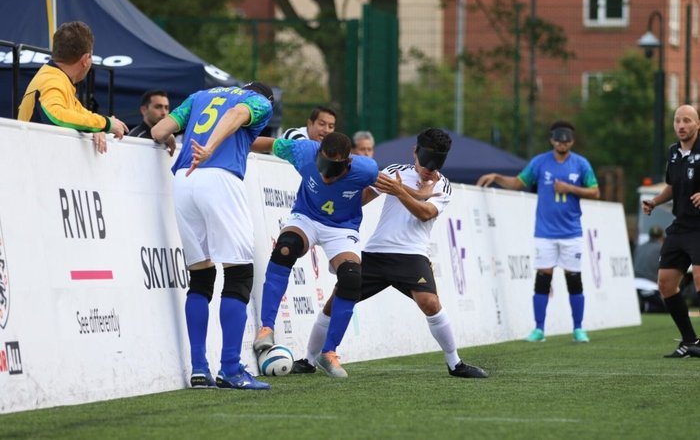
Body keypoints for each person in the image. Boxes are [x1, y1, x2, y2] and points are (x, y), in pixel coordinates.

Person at [291, 128, 488, 379]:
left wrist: (400, 192)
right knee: (336, 300)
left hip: (412, 256)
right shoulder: (395, 171)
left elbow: (425, 212)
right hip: (376, 251)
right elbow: (361, 198)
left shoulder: (443, 185)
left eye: (436, 161)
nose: (429, 167)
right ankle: (309, 359)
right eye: (426, 158)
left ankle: (455, 363)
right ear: (415, 151)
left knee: (430, 303)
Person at [151, 81, 275, 389]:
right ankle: (231, 368)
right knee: (239, 273)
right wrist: (210, 148)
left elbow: (158, 131)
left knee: (201, 276)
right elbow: (236, 113)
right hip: (218, 177)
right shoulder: (259, 101)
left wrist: (169, 137)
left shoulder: (199, 94)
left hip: (182, 180)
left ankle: (199, 368)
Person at [251, 132, 379, 378]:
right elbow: (266, 142)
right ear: (318, 154)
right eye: (322, 166)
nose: (325, 176)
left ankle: (328, 352)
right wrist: (226, 142)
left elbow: (386, 185)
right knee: (285, 249)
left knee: (352, 278)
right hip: (306, 218)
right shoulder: (303, 151)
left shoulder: (367, 169)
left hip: (342, 228)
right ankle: (266, 328)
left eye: (333, 170)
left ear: (348, 162)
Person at [476, 121, 600, 343]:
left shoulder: (581, 164)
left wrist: (570, 189)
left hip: (571, 232)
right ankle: (539, 329)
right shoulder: (540, 162)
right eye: (558, 139)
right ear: (552, 140)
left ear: (572, 141)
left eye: (566, 139)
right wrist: (496, 177)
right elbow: (517, 183)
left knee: (574, 279)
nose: (562, 143)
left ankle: (578, 328)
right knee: (543, 278)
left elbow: (595, 191)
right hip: (545, 232)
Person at [641, 104, 700, 358]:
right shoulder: (673, 152)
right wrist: (655, 201)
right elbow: (673, 187)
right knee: (665, 284)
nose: (681, 125)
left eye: (687, 120)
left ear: (697, 124)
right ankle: (690, 342)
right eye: (678, 120)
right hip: (681, 226)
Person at [17, 21, 128, 153]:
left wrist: (95, 128)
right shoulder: (52, 80)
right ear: (86, 59)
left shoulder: (57, 78)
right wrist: (106, 124)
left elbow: (80, 116)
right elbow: (57, 116)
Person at [633, 226, 666, 313]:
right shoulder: (663, 248)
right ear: (662, 237)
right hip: (649, 287)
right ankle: (644, 307)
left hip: (633, 285)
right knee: (670, 307)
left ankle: (642, 305)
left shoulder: (639, 247)